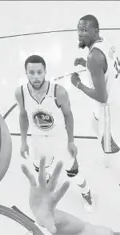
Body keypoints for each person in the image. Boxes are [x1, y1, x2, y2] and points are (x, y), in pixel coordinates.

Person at [71, 15, 120, 218]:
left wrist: (78, 84)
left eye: (84, 30)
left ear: (95, 31)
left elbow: (101, 96)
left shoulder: (94, 57)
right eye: (78, 29)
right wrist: (87, 63)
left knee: (111, 159)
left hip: (107, 108)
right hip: (117, 101)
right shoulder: (105, 43)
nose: (80, 33)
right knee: (94, 122)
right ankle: (114, 141)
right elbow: (119, 67)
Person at [15, 54, 93, 210]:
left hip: (59, 138)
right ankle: (50, 184)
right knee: (41, 172)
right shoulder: (20, 93)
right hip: (37, 139)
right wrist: (23, 141)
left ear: (45, 72)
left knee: (73, 172)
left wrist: (71, 141)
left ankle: (87, 194)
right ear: (26, 73)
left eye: (39, 72)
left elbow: (68, 116)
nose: (36, 76)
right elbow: (23, 115)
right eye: (32, 73)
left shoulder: (59, 92)